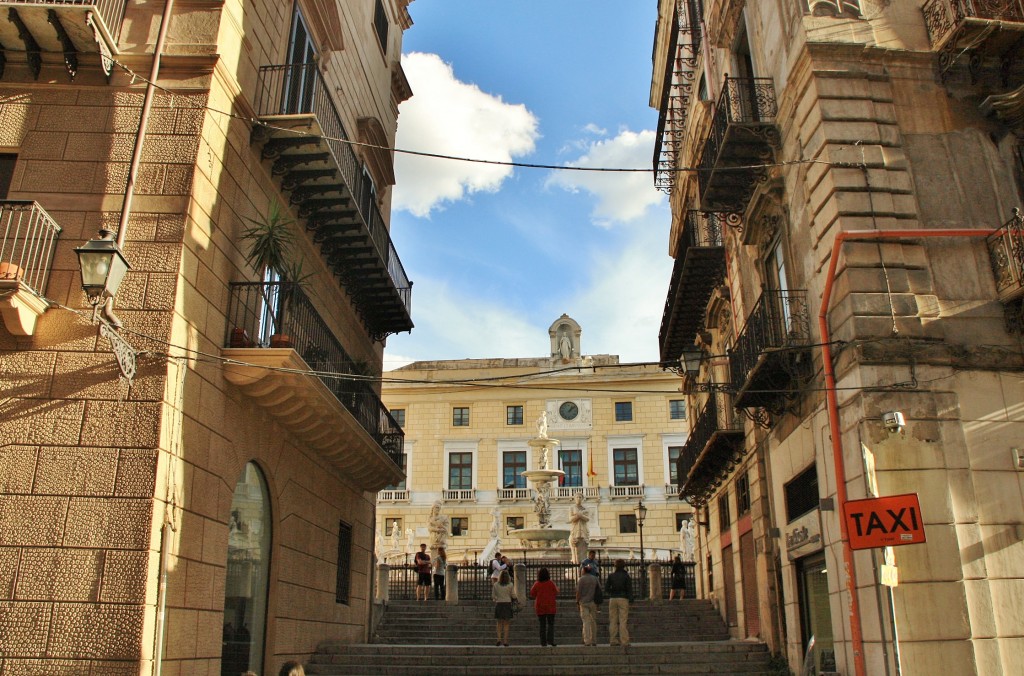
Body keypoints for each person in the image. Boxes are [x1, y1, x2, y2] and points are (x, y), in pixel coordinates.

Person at [605, 559, 633, 646]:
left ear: (615, 566)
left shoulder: (611, 576)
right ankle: (624, 641)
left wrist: (612, 592)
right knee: (623, 620)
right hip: (623, 598)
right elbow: (629, 589)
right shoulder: (626, 576)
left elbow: (606, 588)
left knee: (613, 620)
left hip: (613, 598)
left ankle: (613, 640)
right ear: (623, 566)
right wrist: (631, 599)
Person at [530, 567, 559, 647]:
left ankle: (543, 642)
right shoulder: (551, 583)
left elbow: (532, 593)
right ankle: (551, 640)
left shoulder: (537, 583)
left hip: (540, 606)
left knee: (542, 625)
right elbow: (556, 592)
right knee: (551, 624)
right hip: (550, 605)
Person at [575, 563, 600, 646]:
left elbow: (578, 592)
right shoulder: (595, 579)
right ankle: (594, 640)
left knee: (586, 622)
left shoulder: (581, 579)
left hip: (584, 602)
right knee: (593, 621)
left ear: (584, 571)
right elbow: (599, 590)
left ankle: (587, 640)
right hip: (593, 602)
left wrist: (577, 602)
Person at [492, 569, 517, 646]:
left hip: (499, 604)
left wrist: (496, 599)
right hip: (507, 604)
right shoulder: (510, 585)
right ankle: (505, 641)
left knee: (499, 623)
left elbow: (493, 596)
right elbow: (513, 595)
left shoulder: (495, 585)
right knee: (506, 623)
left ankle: (499, 639)